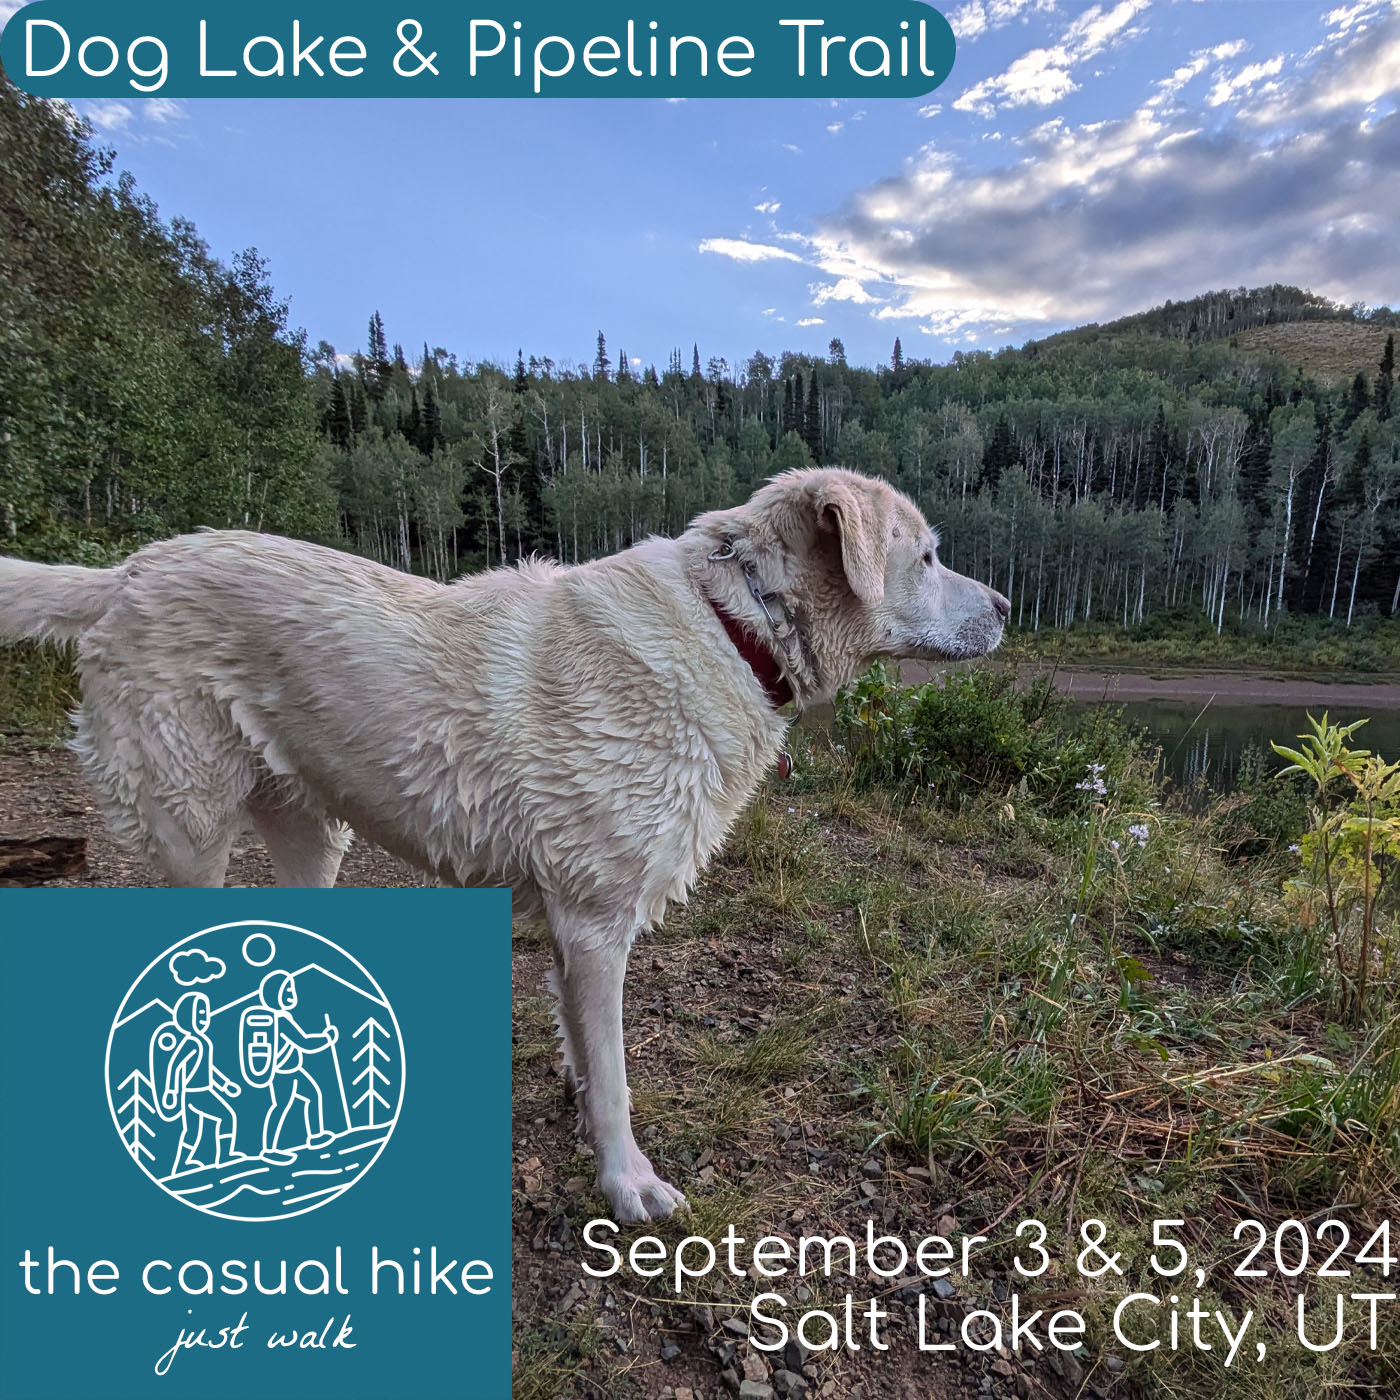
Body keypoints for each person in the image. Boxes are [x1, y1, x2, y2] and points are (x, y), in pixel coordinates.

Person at [153, 991, 245, 1172]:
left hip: (195, 1093)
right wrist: (171, 1091)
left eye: (206, 1013)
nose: (205, 1017)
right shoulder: (192, 1042)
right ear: (188, 1016)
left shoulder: (203, 1041)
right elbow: (175, 1065)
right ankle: (225, 1157)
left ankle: (180, 1165)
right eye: (200, 1013)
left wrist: (225, 1085)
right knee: (227, 1117)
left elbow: (208, 1069)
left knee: (192, 1131)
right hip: (198, 1093)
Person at [253, 970, 339, 1160]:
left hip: (294, 1071)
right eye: (287, 991)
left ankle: (316, 1136)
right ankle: (269, 1149)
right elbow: (305, 1043)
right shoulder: (281, 1021)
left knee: (313, 1095)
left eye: (292, 989)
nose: (292, 994)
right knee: (281, 1107)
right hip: (283, 1074)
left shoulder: (282, 1018)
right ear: (276, 996)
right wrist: (327, 1038)